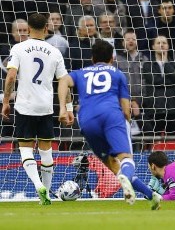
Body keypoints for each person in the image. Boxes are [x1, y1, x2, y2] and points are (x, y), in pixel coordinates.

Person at [57, 40, 161, 210]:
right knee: (126, 159)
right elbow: (126, 109)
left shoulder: (81, 72)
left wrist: (63, 108)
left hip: (87, 120)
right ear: (112, 58)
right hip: (112, 116)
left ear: (92, 58)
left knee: (113, 165)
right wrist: (124, 124)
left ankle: (151, 196)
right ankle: (126, 178)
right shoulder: (118, 74)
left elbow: (63, 81)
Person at [1, 13, 70, 205]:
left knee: (25, 149)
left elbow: (11, 76)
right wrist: (67, 107)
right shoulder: (54, 51)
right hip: (46, 107)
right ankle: (46, 192)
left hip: (25, 106)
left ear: (29, 29)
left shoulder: (19, 48)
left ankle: (37, 184)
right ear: (47, 29)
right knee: (46, 151)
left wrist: (6, 101)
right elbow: (64, 80)